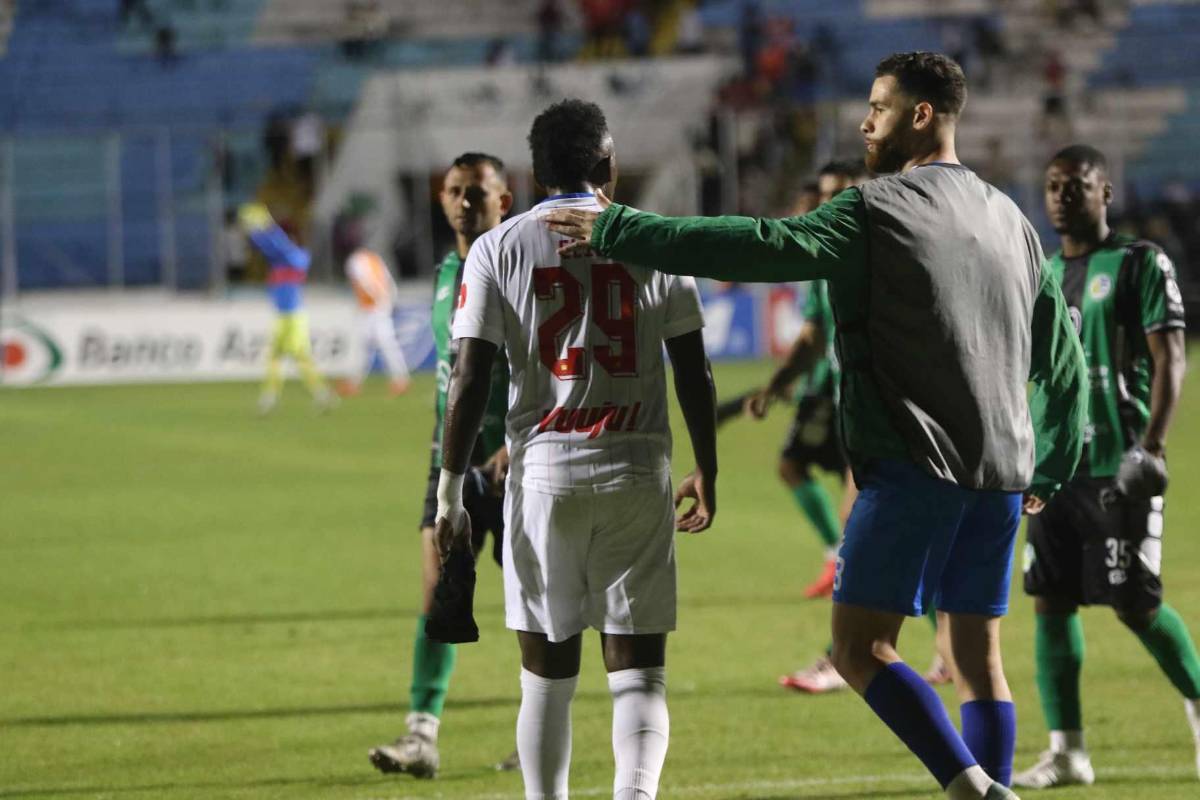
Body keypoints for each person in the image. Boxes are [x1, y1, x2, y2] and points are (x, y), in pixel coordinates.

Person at [545, 52, 1089, 799]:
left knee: (859, 648)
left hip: (914, 466)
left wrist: (624, 230)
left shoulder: (878, 209)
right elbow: (1065, 361)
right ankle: (987, 781)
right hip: (1002, 475)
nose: (865, 122)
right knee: (976, 656)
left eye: (879, 107)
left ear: (920, 115)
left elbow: (768, 246)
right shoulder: (1013, 222)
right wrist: (1050, 465)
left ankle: (979, 791)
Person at [434, 99, 717, 800]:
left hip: (545, 478)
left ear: (531, 177)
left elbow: (469, 376)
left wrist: (448, 493)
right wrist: (708, 467)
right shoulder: (654, 238)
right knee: (639, 673)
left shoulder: (499, 247)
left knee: (546, 679)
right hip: (637, 469)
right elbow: (694, 369)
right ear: (607, 166)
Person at [1014, 145, 1200, 788]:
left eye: (1077, 185)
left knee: (1135, 604)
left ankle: (1199, 702)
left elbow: (1171, 354)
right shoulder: (1039, 272)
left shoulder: (1139, 263)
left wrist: (1151, 446)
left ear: (1106, 192)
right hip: (1055, 468)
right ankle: (1068, 752)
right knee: (1050, 602)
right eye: (1053, 185)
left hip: (1121, 465)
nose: (1062, 195)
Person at [368, 153, 515, 778]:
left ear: (503, 199)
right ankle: (420, 737)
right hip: (449, 459)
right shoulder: (445, 270)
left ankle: (541, 726)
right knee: (438, 594)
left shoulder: (519, 270)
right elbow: (446, 380)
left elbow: (550, 362)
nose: (463, 203)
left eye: (476, 193)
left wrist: (520, 436)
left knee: (538, 604)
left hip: (517, 460)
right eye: (454, 192)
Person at [238, 203, 335, 414]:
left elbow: (278, 246)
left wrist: (266, 227)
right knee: (277, 357)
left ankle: (321, 395)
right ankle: (271, 397)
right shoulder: (280, 264)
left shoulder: (296, 260)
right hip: (283, 316)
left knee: (298, 357)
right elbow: (268, 247)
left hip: (293, 317)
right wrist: (259, 231)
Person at [339, 246, 411, 397]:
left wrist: (379, 298)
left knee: (376, 345)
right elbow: (388, 281)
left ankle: (400, 379)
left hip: (371, 309)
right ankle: (356, 382)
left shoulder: (355, 261)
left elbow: (365, 282)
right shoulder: (375, 259)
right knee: (376, 346)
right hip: (378, 307)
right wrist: (390, 299)